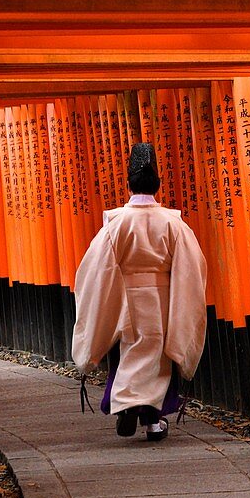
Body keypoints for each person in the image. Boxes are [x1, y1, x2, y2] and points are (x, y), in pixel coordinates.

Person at [71, 142, 207, 441]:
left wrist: (103, 303)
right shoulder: (173, 223)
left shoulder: (116, 225)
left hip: (125, 299)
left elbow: (95, 269)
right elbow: (192, 267)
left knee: (125, 354)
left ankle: (124, 406)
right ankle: (154, 423)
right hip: (162, 299)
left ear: (128, 184)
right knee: (159, 359)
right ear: (158, 185)